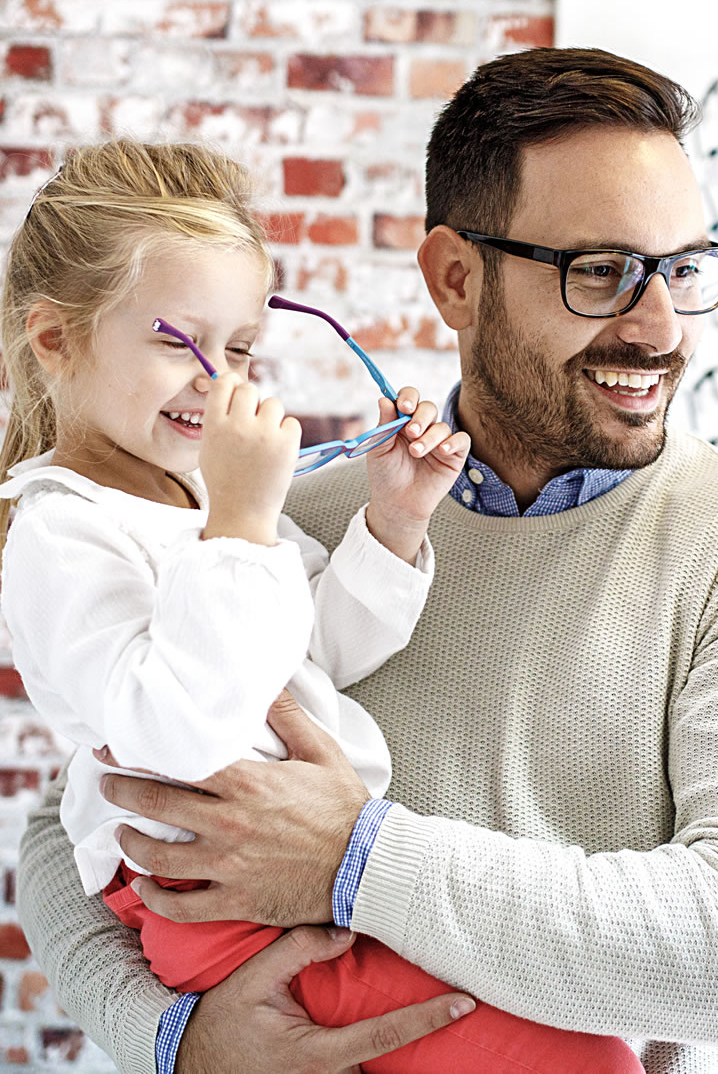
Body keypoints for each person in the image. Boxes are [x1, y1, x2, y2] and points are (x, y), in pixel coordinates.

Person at [15, 49, 718, 1074]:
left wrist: (354, 858)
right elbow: (77, 829)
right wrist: (176, 1039)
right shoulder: (284, 515)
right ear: (455, 278)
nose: (660, 326)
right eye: (600, 272)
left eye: (682, 269)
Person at [0, 138, 651, 1073]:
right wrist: (237, 518)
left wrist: (393, 519)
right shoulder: (66, 534)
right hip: (231, 921)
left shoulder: (189, 499)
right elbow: (174, 734)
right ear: (56, 338)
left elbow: (313, 660)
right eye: (176, 342)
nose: (218, 382)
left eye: (239, 349)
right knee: (586, 1063)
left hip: (301, 898)